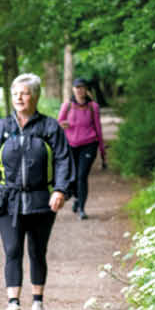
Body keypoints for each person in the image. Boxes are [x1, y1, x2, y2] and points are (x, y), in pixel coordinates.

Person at [0, 73, 75, 310]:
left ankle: (38, 303)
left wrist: (60, 190)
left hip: (42, 200)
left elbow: (62, 159)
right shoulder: (1, 128)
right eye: (15, 92)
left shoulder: (50, 128)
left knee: (37, 252)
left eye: (25, 92)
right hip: (9, 201)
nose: (19, 97)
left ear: (35, 97)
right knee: (12, 251)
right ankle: (13, 305)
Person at [57, 77, 107, 219]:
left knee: (81, 176)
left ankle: (81, 208)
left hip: (89, 145)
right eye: (77, 87)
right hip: (70, 145)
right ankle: (77, 198)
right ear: (73, 89)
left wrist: (102, 152)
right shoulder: (66, 106)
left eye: (82, 87)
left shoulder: (93, 107)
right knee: (72, 178)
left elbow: (98, 128)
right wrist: (62, 125)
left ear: (86, 90)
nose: (79, 90)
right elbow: (58, 124)